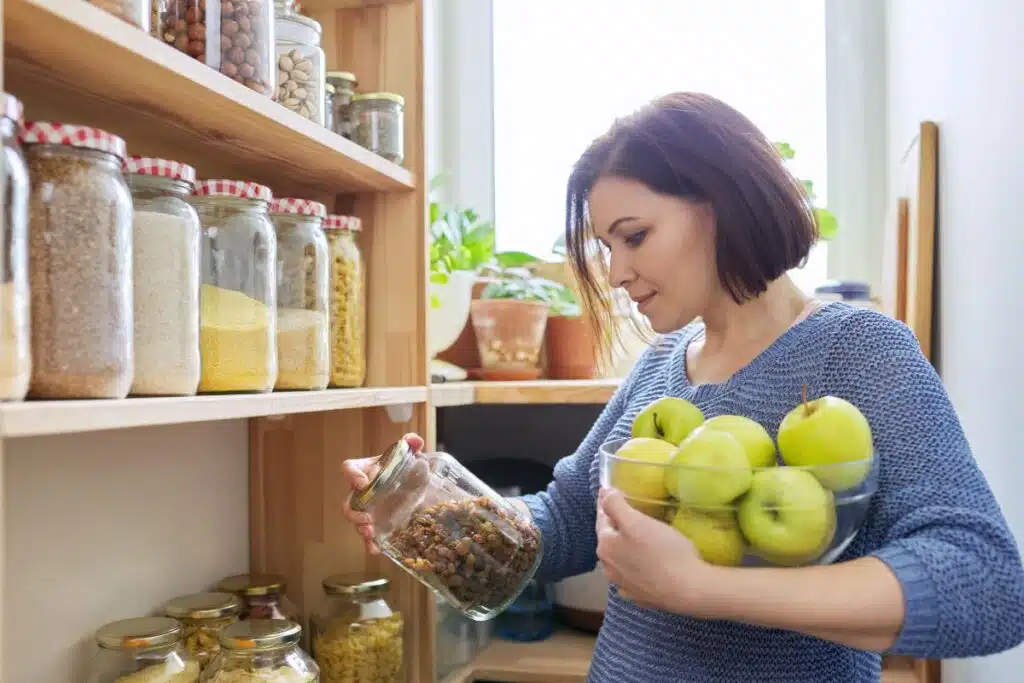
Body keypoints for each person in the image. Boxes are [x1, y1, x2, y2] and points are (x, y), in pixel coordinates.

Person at [343, 92, 1024, 682]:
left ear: (722, 200)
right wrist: (429, 505)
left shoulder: (860, 350)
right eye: (607, 247)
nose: (615, 273)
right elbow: (570, 521)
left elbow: (987, 584)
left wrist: (705, 588)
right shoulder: (661, 364)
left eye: (635, 236)